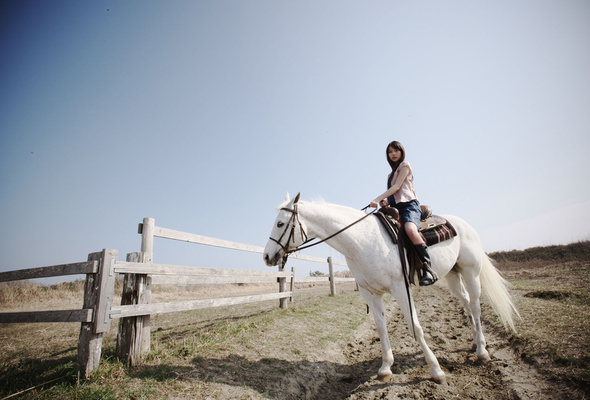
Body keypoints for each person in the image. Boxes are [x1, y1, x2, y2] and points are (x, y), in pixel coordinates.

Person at [370, 140, 437, 286]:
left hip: (409, 206)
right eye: (390, 152)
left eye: (396, 151)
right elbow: (394, 193)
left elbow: (398, 186)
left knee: (410, 229)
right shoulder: (390, 175)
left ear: (401, 152)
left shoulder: (405, 165)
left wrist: (377, 198)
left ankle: (428, 268)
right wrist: (385, 202)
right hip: (396, 208)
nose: (393, 154)